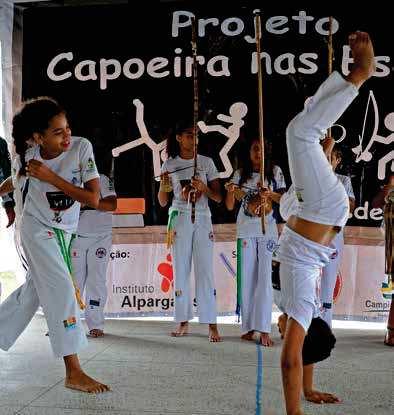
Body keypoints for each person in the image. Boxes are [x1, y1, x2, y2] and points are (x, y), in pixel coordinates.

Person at [278, 32, 375, 415]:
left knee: (307, 123)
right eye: (290, 334)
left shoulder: (299, 309)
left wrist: (309, 390)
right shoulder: (299, 305)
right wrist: (295, 411)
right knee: (299, 131)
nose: (281, 331)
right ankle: (359, 76)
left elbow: (303, 350)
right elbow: (291, 360)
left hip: (302, 215)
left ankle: (341, 78)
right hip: (322, 211)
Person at [0, 96, 109, 393]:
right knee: (62, 290)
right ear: (38, 137)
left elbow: (93, 199)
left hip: (65, 231)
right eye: (57, 132)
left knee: (34, 292)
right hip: (35, 230)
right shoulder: (27, 154)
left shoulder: (80, 148)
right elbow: (15, 179)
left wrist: (51, 177)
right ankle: (73, 371)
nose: (66, 137)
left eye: (67, 129)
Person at [157, 121, 222, 342]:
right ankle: (183, 319)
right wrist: (166, 186)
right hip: (180, 217)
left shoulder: (206, 162)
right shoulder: (170, 164)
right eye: (188, 135)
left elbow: (219, 197)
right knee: (180, 269)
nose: (193, 139)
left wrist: (204, 189)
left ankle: (211, 322)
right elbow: (163, 201)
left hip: (203, 218)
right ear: (178, 138)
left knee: (205, 271)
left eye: (195, 135)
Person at [225, 137, 286, 346]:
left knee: (265, 280)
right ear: (249, 152)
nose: (258, 153)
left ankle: (264, 328)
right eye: (255, 149)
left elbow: (284, 201)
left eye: (262, 149)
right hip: (245, 231)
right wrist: (232, 191)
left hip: (268, 231)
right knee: (247, 279)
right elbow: (229, 205)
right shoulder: (239, 174)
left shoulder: (275, 172)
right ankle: (249, 326)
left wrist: (270, 194)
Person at [71, 150, 117, 338]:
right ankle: (68, 323)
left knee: (96, 280)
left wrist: (88, 201)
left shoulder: (103, 179)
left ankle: (95, 324)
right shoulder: (70, 182)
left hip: (100, 237)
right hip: (76, 236)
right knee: (74, 281)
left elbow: (112, 205)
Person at [320, 147, 356, 327]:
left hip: (334, 234)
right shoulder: (314, 178)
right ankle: (307, 322)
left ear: (337, 161)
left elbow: (350, 205)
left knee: (329, 278)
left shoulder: (343, 180)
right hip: (314, 234)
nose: (327, 160)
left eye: (330, 157)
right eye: (324, 156)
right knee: (309, 280)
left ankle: (325, 324)